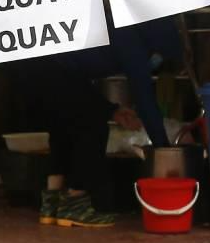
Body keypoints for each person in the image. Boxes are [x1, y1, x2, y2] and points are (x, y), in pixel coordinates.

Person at [16, 17, 181, 228]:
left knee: (62, 128)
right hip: (52, 70)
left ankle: (52, 204)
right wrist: (163, 149)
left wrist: (112, 110)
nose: (157, 62)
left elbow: (77, 79)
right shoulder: (134, 42)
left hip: (37, 66)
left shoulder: (122, 28)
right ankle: (75, 205)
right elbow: (145, 100)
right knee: (90, 127)